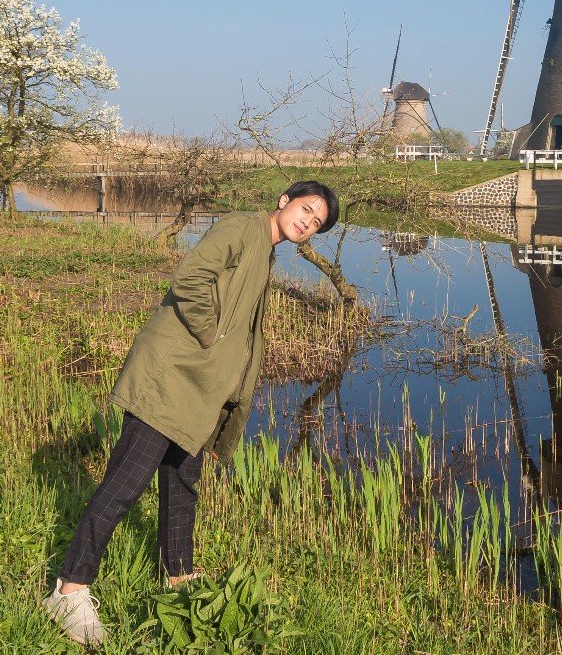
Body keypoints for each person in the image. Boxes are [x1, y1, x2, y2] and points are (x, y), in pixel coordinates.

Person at [42, 180, 340, 648]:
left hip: (199, 389)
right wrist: (213, 337)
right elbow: (191, 277)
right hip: (171, 378)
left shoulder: (265, 249)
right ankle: (69, 589)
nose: (307, 222)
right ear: (283, 201)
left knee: (181, 484)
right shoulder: (241, 227)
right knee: (124, 485)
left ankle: (178, 578)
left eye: (316, 223)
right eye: (305, 209)